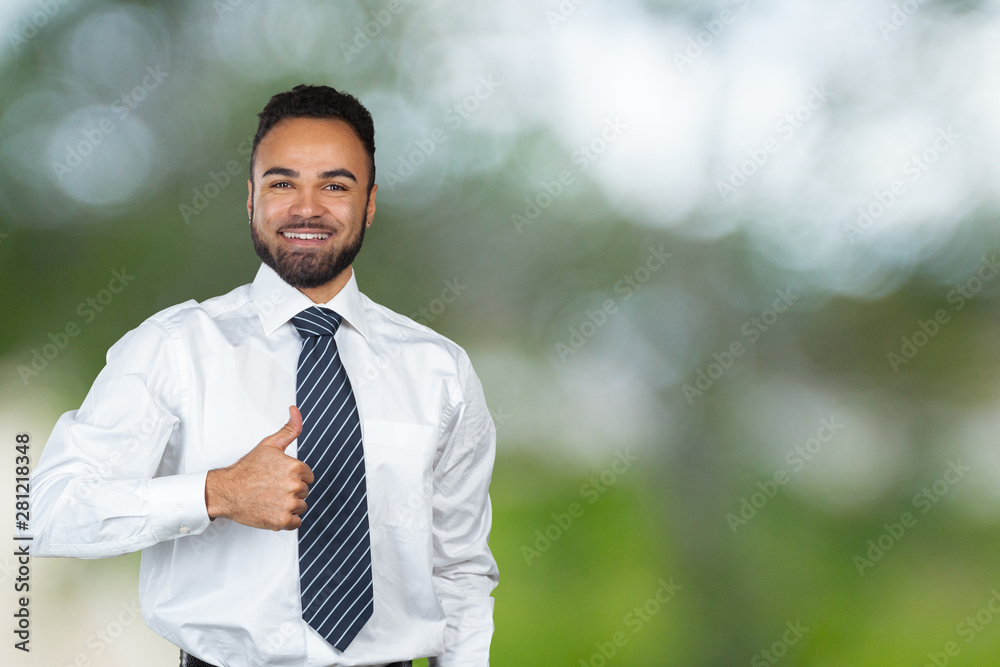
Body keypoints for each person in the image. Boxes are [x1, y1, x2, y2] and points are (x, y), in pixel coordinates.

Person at [30, 84, 499, 667]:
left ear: (370, 203)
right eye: (282, 183)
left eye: (335, 185)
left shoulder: (440, 371)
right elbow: (48, 512)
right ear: (250, 198)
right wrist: (214, 493)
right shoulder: (173, 348)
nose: (307, 208)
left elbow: (460, 570)